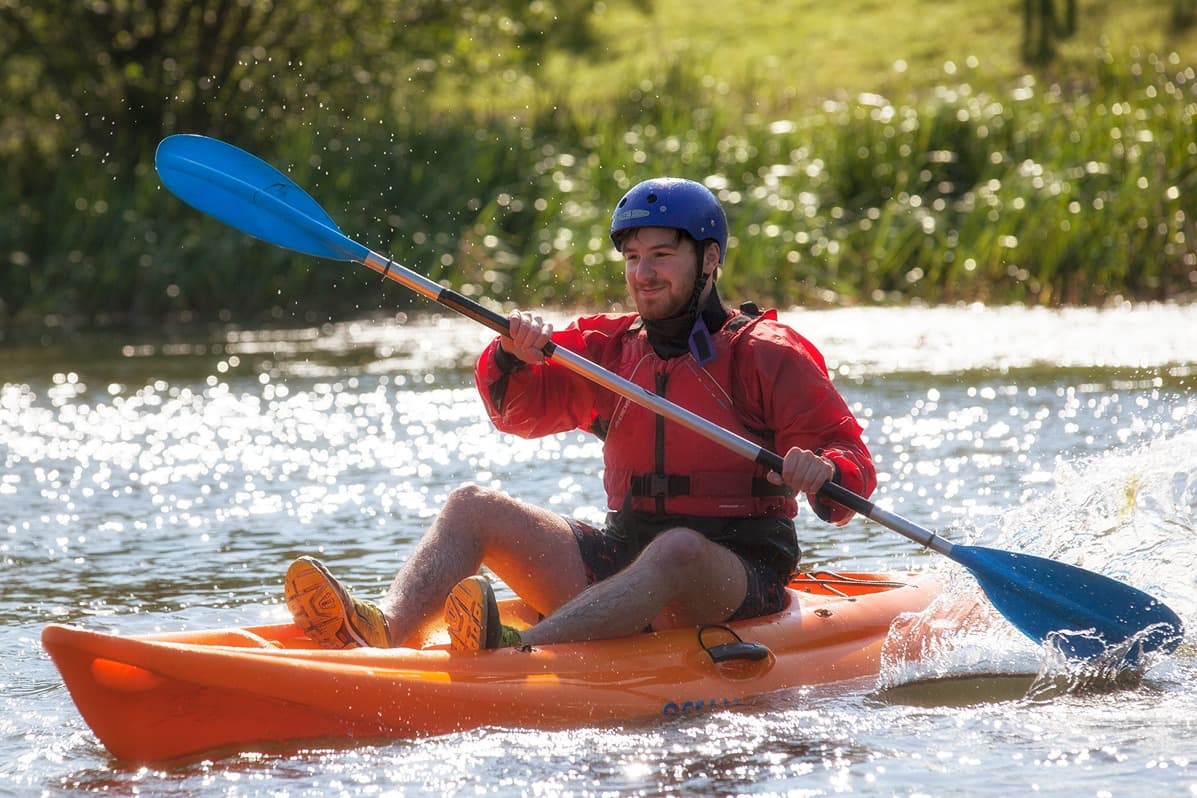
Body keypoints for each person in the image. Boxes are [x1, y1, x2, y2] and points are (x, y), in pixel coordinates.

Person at [284, 177, 876, 652]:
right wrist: (511, 354)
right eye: (634, 257)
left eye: (663, 256)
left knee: (676, 548)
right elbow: (517, 414)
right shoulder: (611, 351)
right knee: (472, 505)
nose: (643, 273)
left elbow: (849, 459)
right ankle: (383, 629)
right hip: (624, 557)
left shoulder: (765, 352)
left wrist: (823, 471)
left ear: (709, 258)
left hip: (735, 574)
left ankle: (519, 648)